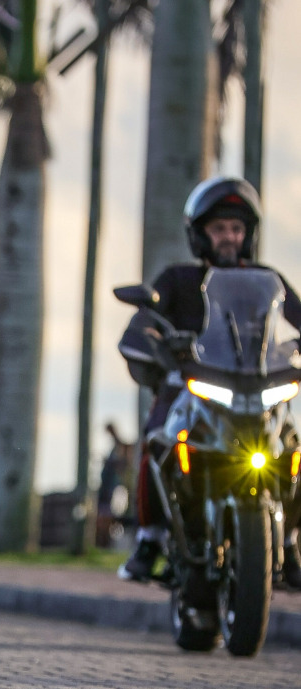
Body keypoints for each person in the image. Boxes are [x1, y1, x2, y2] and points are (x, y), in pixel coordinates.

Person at [119, 176, 301, 583]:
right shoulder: (178, 279)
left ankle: (289, 541)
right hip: (191, 387)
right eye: (219, 229)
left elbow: (296, 316)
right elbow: (145, 320)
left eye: (237, 228)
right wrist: (151, 338)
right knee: (157, 439)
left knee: (290, 443)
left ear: (248, 234)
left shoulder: (266, 279)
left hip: (255, 388)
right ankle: (149, 539)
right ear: (200, 234)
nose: (229, 237)